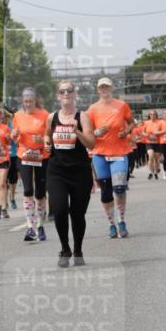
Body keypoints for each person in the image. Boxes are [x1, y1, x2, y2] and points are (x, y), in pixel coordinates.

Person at [44, 81, 95, 267]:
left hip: (80, 171)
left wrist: (78, 132)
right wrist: (46, 142)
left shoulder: (84, 116)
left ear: (75, 94)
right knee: (59, 209)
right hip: (57, 170)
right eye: (62, 91)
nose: (66, 93)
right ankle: (65, 248)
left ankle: (78, 250)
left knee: (77, 214)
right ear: (58, 95)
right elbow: (46, 135)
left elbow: (91, 143)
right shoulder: (51, 117)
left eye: (69, 91)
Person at [87, 77, 134, 238]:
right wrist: (96, 132)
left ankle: (121, 221)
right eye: (102, 88)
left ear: (112, 88)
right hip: (100, 154)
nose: (104, 90)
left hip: (119, 152)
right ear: (98, 90)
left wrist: (126, 132)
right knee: (106, 193)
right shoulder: (92, 109)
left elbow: (131, 123)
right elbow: (87, 132)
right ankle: (111, 224)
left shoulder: (121, 105)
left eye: (107, 87)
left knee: (120, 189)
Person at [11, 88, 50, 242]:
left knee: (40, 192)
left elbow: (50, 137)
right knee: (28, 189)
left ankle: (40, 225)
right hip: (24, 155)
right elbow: (15, 137)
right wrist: (13, 136)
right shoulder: (18, 116)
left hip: (42, 156)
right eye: (25, 101)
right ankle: (30, 227)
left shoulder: (44, 115)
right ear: (22, 101)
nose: (28, 104)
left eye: (31, 101)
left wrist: (42, 140)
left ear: (35, 100)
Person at [142, 110, 162, 179]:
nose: (152, 116)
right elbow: (143, 132)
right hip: (149, 142)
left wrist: (158, 133)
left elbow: (163, 131)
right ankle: (150, 172)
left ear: (156, 115)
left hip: (157, 143)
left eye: (154, 114)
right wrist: (146, 134)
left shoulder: (159, 123)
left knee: (156, 159)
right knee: (150, 156)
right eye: (151, 114)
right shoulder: (146, 123)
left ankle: (156, 172)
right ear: (149, 115)